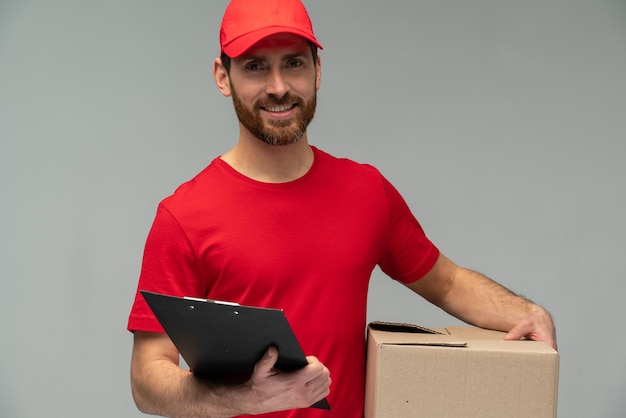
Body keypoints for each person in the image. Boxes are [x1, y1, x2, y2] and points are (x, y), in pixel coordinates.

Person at [127, 0, 557, 417]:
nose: (278, 86)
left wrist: (525, 312)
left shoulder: (365, 191)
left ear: (318, 71)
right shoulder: (184, 216)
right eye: (256, 66)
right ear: (223, 76)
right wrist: (242, 399)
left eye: (294, 63)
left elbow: (445, 283)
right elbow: (148, 378)